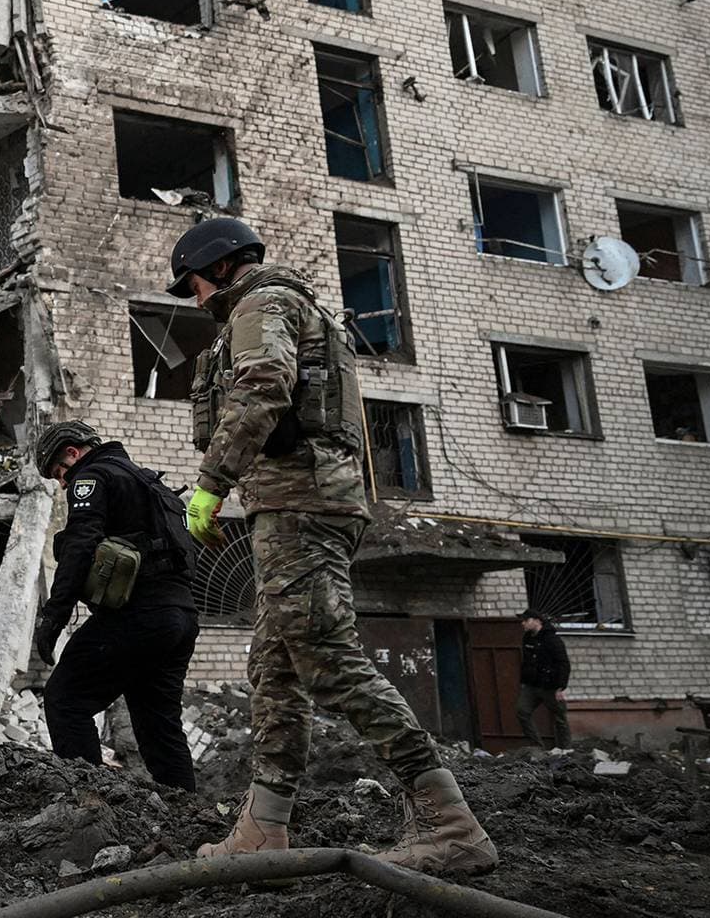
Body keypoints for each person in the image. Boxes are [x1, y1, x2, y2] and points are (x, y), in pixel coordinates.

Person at [171, 217, 498, 875]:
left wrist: (211, 484)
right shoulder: (286, 306)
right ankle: (264, 827)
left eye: (196, 285)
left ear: (220, 267)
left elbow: (264, 386)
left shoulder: (263, 304)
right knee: (275, 667)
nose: (199, 301)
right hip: (299, 503)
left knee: (325, 656)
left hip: (301, 506)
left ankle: (449, 823)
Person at [31, 420, 201, 789]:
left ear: (73, 453)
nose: (63, 483)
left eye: (60, 472)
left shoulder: (91, 478)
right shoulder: (149, 483)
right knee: (159, 723)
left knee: (65, 699)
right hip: (182, 616)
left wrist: (53, 618)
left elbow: (80, 545)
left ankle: (88, 803)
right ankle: (191, 820)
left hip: (139, 615)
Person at [516, 610, 572, 748]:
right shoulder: (527, 638)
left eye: (526, 620)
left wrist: (560, 687)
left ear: (537, 621)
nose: (522, 623)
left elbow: (563, 663)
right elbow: (526, 662)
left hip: (550, 686)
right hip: (532, 685)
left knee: (560, 718)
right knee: (522, 711)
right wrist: (524, 681)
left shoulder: (552, 640)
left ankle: (566, 750)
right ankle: (537, 747)